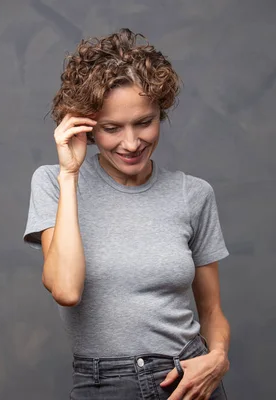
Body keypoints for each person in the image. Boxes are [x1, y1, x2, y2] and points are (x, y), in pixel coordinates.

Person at [23, 28, 231, 399]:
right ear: (86, 126)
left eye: (144, 122)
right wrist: (70, 174)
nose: (132, 143)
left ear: (160, 113)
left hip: (188, 380)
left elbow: (211, 310)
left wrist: (217, 358)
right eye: (111, 128)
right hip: (104, 384)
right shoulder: (53, 184)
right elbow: (66, 290)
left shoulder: (193, 194)